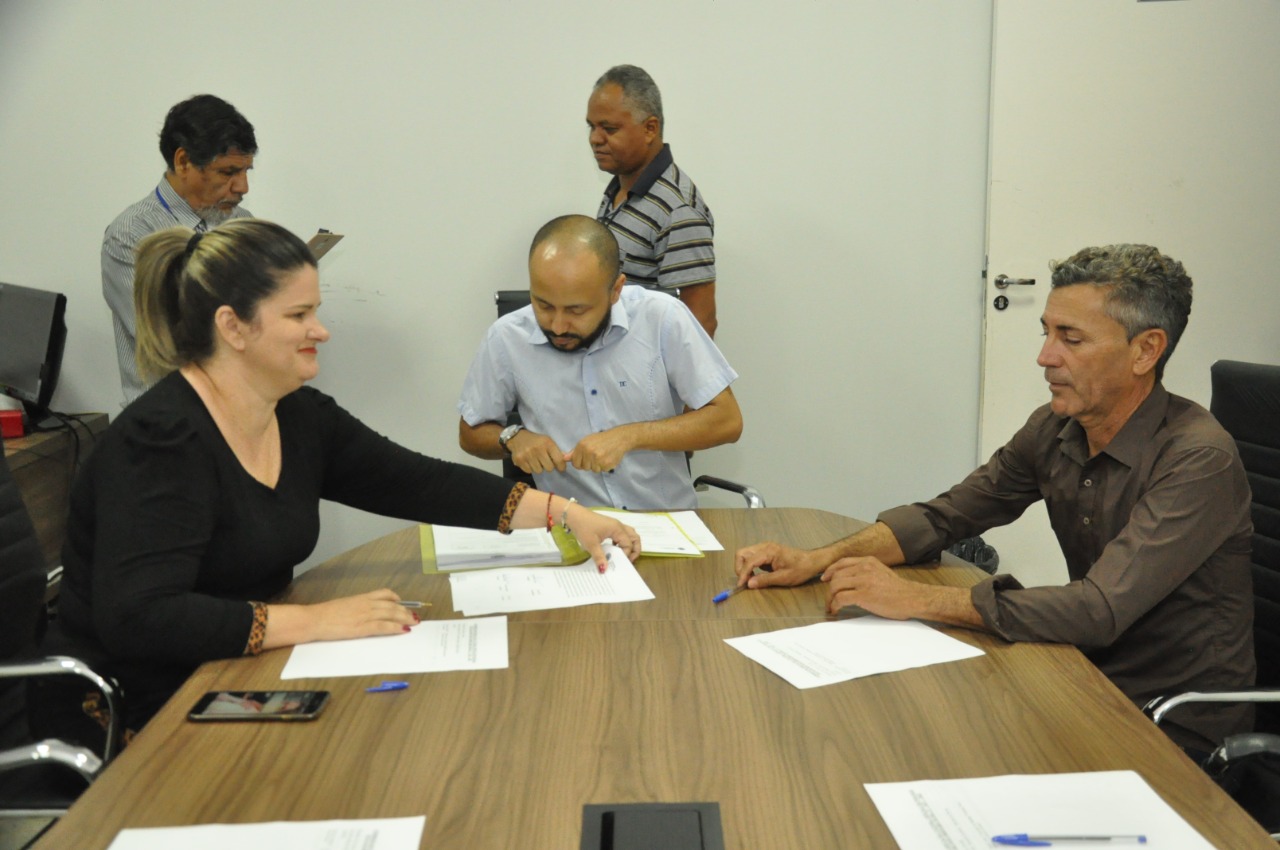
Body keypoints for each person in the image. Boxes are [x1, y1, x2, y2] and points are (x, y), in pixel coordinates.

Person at [58, 219, 639, 731]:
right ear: (233, 327)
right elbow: (140, 617)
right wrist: (314, 620)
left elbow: (419, 483)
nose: (321, 330)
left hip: (244, 669)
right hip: (143, 709)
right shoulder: (161, 441)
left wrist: (562, 513)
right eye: (299, 315)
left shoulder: (295, 413)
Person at [734, 244, 1254, 755]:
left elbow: (1098, 609)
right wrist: (818, 558)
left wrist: (917, 599)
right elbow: (947, 515)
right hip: (1081, 674)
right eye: (1047, 333)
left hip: (1171, 721)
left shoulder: (1198, 459)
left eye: (1070, 339)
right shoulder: (1057, 426)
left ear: (1146, 350)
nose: (1045, 356)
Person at [457, 214, 742, 511]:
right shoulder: (507, 338)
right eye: (543, 305)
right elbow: (470, 432)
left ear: (616, 290)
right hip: (572, 529)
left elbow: (727, 420)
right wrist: (511, 438)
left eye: (576, 310)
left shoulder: (662, 318)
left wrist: (629, 436)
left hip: (666, 523)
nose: (557, 325)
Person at [102, 94, 257, 406]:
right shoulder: (132, 236)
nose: (242, 187)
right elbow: (171, 342)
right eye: (228, 172)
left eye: (246, 172)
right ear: (183, 161)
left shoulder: (241, 223)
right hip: (169, 423)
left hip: (239, 410)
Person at [587, 65, 718, 338]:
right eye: (592, 126)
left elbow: (699, 326)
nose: (595, 139)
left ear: (650, 129)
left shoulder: (678, 211)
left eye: (609, 128)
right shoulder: (618, 187)